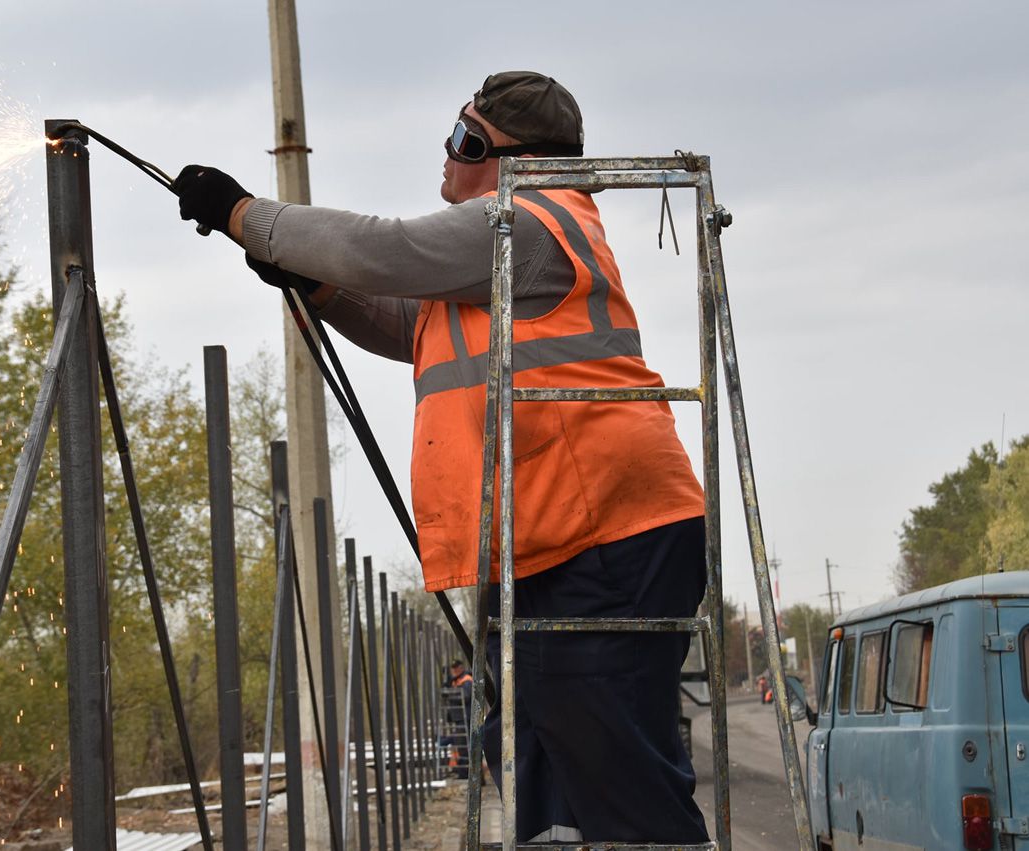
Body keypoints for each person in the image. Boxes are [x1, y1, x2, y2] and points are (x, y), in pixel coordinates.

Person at [173, 71, 709, 845]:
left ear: (511, 157)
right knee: (539, 751)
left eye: (466, 140)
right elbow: (403, 324)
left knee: (612, 763)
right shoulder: (491, 258)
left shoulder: (528, 222)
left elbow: (384, 249)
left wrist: (245, 215)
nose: (449, 156)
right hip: (557, 534)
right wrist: (316, 285)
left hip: (608, 533)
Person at [441, 659, 474, 778]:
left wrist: (449, 693)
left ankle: (465, 773)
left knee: (464, 746)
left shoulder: (466, 680)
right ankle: (464, 772)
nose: (454, 670)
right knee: (461, 745)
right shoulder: (457, 681)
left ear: (461, 667)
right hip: (460, 718)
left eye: (456, 668)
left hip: (466, 718)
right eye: (452, 668)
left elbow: (465, 696)